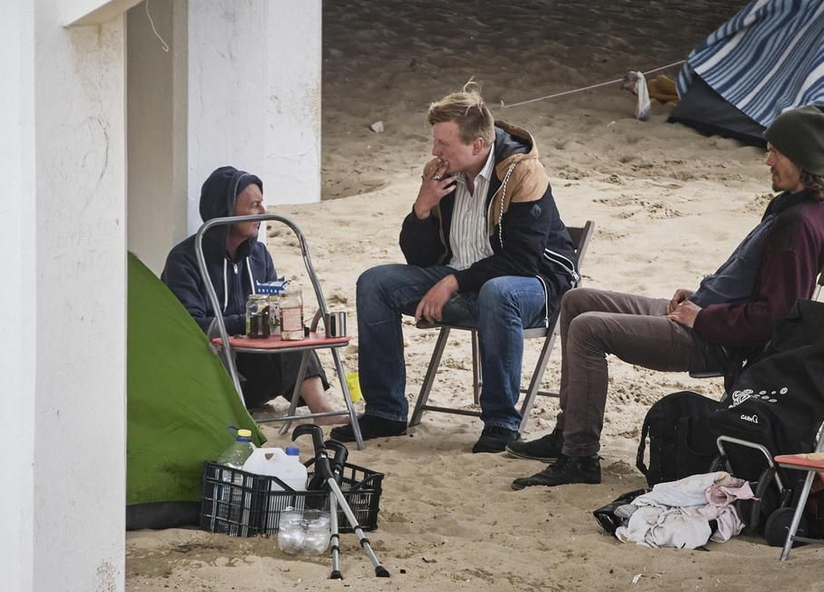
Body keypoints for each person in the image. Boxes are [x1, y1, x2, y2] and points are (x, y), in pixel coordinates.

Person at [508, 105, 824, 487]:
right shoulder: (797, 204)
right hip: (705, 313)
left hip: (715, 339)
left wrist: (702, 318)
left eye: (776, 153)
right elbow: (751, 275)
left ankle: (579, 457)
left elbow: (774, 318)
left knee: (588, 329)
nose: (767, 160)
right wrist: (702, 293)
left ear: (802, 159)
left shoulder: (798, 225)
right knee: (576, 300)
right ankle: (567, 431)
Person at [334, 83, 581, 453]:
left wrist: (453, 281)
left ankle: (500, 422)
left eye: (444, 144)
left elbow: (523, 260)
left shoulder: (523, 173)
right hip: (463, 279)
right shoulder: (439, 172)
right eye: (435, 142)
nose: (435, 151)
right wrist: (421, 208)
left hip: (535, 286)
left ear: (477, 146)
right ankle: (385, 411)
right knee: (374, 282)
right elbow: (419, 258)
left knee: (498, 291)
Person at [161, 166, 337, 419]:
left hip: (256, 373)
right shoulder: (185, 259)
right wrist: (247, 322)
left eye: (261, 204)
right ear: (226, 211)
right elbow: (189, 327)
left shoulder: (259, 255)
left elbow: (273, 310)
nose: (263, 213)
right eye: (254, 205)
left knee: (292, 334)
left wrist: (281, 319)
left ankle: (322, 409)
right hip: (212, 375)